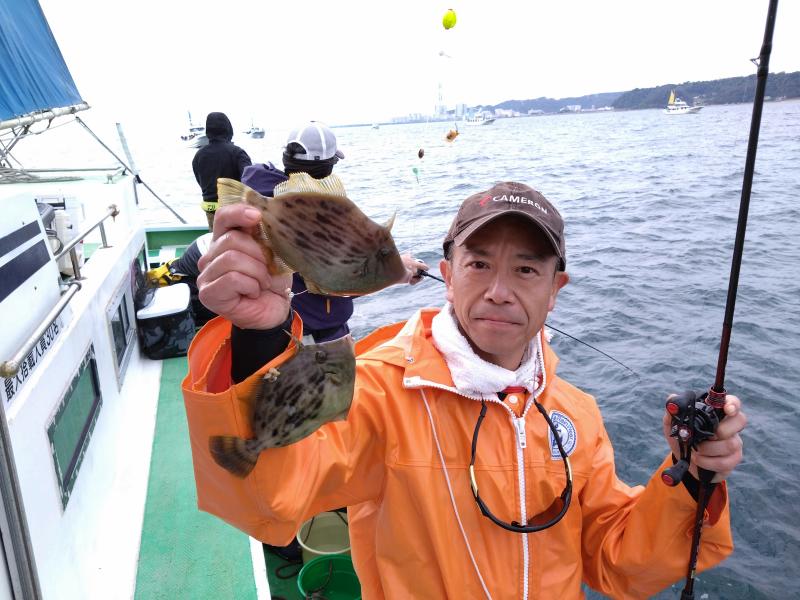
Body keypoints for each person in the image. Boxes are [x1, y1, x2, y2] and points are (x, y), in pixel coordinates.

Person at [182, 182, 746, 598]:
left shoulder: (577, 414)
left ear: (556, 289)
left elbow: (615, 561)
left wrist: (691, 480)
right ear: (448, 274)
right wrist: (259, 336)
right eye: (479, 263)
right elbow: (271, 495)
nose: (499, 291)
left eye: (526, 270)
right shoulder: (376, 387)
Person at [242, 120, 427, 343]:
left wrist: (400, 264)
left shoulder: (260, 197)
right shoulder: (323, 217)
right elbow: (338, 279)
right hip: (314, 327)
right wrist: (401, 275)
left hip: (279, 324)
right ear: (328, 166)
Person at [191, 112, 252, 230]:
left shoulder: (199, 155)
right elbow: (249, 181)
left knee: (217, 239)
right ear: (229, 130)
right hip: (233, 210)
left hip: (211, 210)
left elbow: (200, 181)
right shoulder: (237, 153)